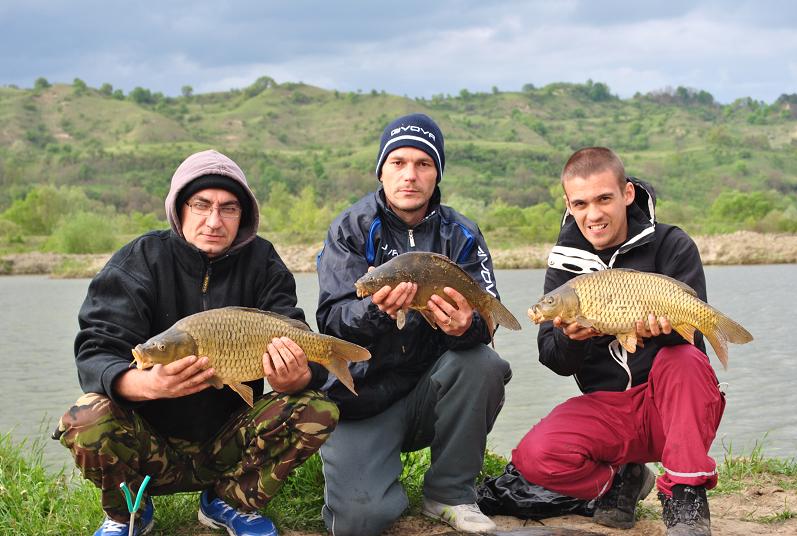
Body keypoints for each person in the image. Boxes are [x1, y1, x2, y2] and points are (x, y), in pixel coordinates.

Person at [53, 149, 339, 536]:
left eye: (228, 208)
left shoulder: (263, 262)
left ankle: (230, 501)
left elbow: (298, 337)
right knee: (85, 417)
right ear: (179, 208)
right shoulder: (140, 260)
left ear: (243, 215)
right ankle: (127, 512)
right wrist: (148, 385)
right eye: (201, 205)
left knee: (316, 407)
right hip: (150, 445)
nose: (214, 221)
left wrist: (296, 378)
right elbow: (95, 351)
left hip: (230, 442)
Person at [315, 113, 512, 535]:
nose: (410, 175)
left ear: (436, 173)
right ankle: (375, 484)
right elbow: (331, 320)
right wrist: (377, 311)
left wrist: (465, 327)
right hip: (363, 396)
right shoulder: (350, 229)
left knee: (484, 363)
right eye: (398, 162)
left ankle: (450, 494)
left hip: (430, 392)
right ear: (381, 171)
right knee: (359, 521)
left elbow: (486, 322)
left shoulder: (462, 234)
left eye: (423, 164)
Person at [511, 147, 724, 535]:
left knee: (685, 359)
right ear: (568, 205)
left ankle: (686, 495)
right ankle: (623, 480)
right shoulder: (564, 264)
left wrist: (664, 329)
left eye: (604, 199)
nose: (593, 214)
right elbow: (554, 359)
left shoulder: (672, 244)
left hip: (667, 406)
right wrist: (573, 339)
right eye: (581, 204)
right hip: (609, 410)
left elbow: (694, 347)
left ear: (627, 194)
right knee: (534, 456)